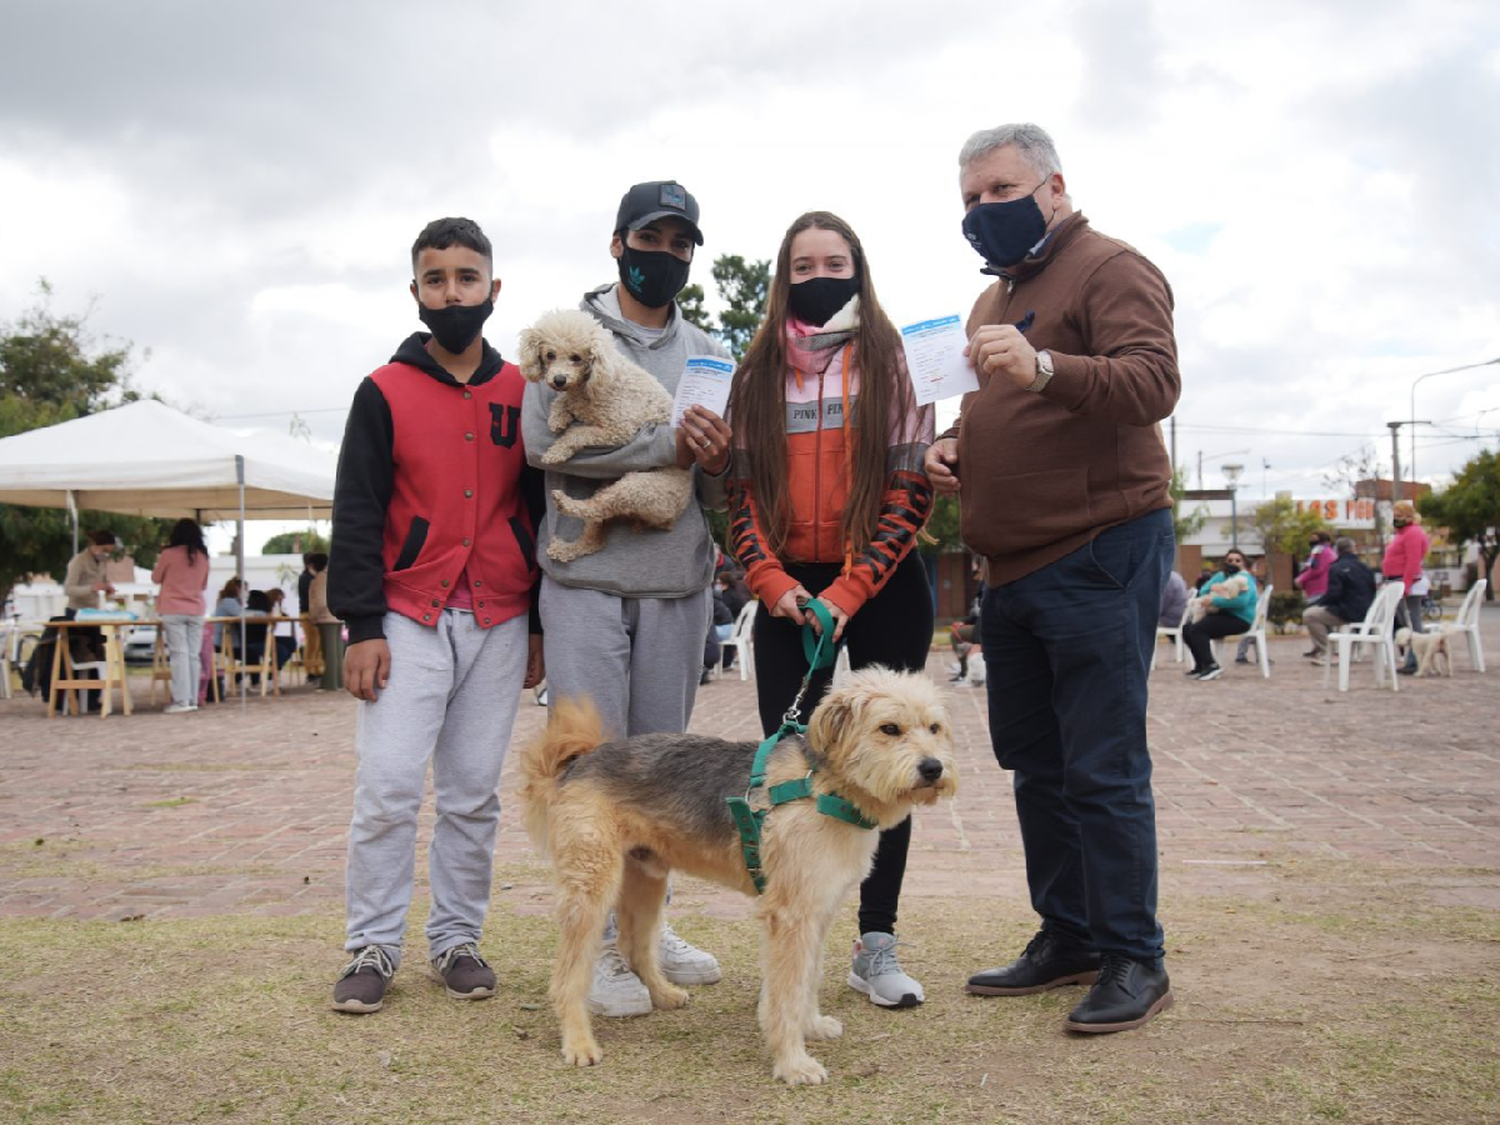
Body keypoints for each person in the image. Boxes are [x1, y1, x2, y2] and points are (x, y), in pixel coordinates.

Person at [926, 123, 1179, 1032]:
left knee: (1101, 763)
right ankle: (1067, 933)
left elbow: (1153, 382)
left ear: (1054, 186)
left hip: (1099, 546)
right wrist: (953, 449)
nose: (982, 212)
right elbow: (987, 409)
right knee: (1035, 762)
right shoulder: (993, 298)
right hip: (1015, 564)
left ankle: (1133, 955)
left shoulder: (1112, 267)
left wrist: (1044, 366)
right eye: (969, 201)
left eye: (999, 191)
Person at [521, 180, 731, 1017]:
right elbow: (546, 446)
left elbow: (712, 466)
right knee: (590, 769)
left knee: (665, 772)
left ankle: (648, 932)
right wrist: (667, 444)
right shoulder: (561, 339)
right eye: (653, 239)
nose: (667, 256)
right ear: (618, 244)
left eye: (682, 244)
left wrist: (712, 457)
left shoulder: (710, 348)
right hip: (585, 582)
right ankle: (598, 944)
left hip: (679, 582)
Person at [326, 216, 545, 1015]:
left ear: (493, 287)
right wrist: (362, 624)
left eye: (466, 278)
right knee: (386, 787)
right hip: (407, 613)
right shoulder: (383, 391)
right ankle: (372, 943)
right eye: (435, 279)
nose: (451, 292)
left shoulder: (526, 390)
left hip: (499, 617)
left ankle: (457, 938)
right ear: (415, 291)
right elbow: (356, 510)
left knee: (472, 793)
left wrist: (541, 627)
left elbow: (542, 507)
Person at [727, 210, 936, 1008]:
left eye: (835, 261)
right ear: (785, 275)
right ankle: (798, 930)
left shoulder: (897, 362)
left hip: (881, 586)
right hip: (786, 590)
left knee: (894, 762)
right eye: (804, 264)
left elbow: (912, 489)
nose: (821, 276)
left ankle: (875, 944)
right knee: (789, 766)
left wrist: (849, 590)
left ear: (860, 268)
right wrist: (773, 581)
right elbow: (738, 497)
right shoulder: (754, 374)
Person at [150, 518, 210, 713]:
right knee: (193, 656)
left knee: (179, 655)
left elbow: (156, 578)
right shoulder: (203, 556)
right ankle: (192, 698)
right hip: (196, 609)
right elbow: (203, 585)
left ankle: (181, 701)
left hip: (172, 608)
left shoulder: (168, 554)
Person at [1182, 549, 1257, 680]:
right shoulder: (1222, 576)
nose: (1233, 563)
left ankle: (1212, 666)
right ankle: (1201, 666)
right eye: (1230, 560)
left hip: (1240, 619)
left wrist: (1215, 599)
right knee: (1187, 629)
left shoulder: (1245, 579)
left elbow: (1241, 602)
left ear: (1243, 563)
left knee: (1198, 629)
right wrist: (1215, 586)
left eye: (1237, 560)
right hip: (1221, 615)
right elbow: (1203, 590)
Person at [1302, 537, 1375, 664]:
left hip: (1347, 612)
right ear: (1353, 549)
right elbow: (1372, 589)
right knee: (1323, 612)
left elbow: (1334, 594)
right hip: (1367, 611)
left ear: (1337, 551)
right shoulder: (1365, 568)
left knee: (1310, 615)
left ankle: (1328, 653)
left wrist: (1319, 603)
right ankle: (1340, 651)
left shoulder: (1336, 568)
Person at [1383, 499, 1431, 674]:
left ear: (1409, 516)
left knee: (1413, 623)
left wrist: (1407, 585)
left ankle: (1417, 660)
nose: (1396, 518)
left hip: (1409, 583)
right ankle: (1413, 658)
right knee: (1406, 623)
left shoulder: (1413, 533)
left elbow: (1413, 560)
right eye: (1395, 515)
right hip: (1397, 581)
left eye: (1399, 515)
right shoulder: (1401, 533)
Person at [305, 555, 343, 693]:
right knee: (337, 652)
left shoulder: (321, 578)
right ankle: (339, 681)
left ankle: (330, 683)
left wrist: (313, 616)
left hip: (326, 617)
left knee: (329, 652)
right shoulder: (335, 574)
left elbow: (320, 601)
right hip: (337, 617)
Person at [63, 529, 118, 613]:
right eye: (105, 550)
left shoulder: (102, 561)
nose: (107, 554)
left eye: (110, 552)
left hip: (94, 610)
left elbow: (104, 581)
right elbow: (68, 589)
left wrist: (108, 588)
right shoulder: (79, 561)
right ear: (95, 546)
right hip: (76, 611)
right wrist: (91, 588)